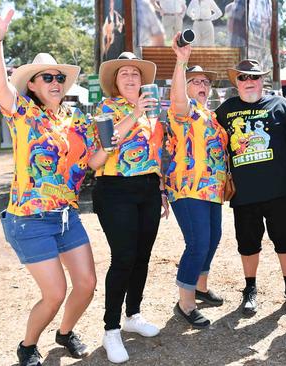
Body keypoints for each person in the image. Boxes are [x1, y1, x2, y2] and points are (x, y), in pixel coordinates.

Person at [0, 1, 100, 365]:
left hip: (66, 215)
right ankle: (27, 345)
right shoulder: (23, 113)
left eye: (59, 78)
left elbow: (94, 163)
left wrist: (117, 139)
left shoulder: (77, 120)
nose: (55, 82)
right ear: (33, 84)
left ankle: (64, 333)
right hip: (30, 219)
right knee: (55, 293)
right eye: (47, 77)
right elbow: (0, 86)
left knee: (86, 285)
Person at [214, 59, 286, 316]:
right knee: (247, 244)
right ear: (236, 83)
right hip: (244, 193)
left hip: (279, 189)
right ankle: (249, 289)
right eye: (243, 78)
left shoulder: (280, 104)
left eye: (254, 77)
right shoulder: (225, 111)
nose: (249, 82)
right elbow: (212, 145)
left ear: (262, 81)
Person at [90, 52, 167, 364]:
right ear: (115, 80)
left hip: (147, 188)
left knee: (142, 256)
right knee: (123, 257)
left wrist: (160, 187)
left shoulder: (151, 112)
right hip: (115, 189)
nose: (131, 78)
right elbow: (109, 140)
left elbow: (153, 153)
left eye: (136, 73)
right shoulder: (105, 108)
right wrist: (135, 112)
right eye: (124, 73)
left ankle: (133, 314)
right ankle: (111, 329)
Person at [166, 33, 228, 328]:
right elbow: (177, 98)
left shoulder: (210, 116)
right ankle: (185, 303)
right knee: (198, 242)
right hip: (187, 187)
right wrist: (181, 63)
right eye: (196, 81)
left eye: (205, 82)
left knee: (212, 239)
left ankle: (200, 288)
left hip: (212, 190)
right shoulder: (184, 110)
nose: (202, 86)